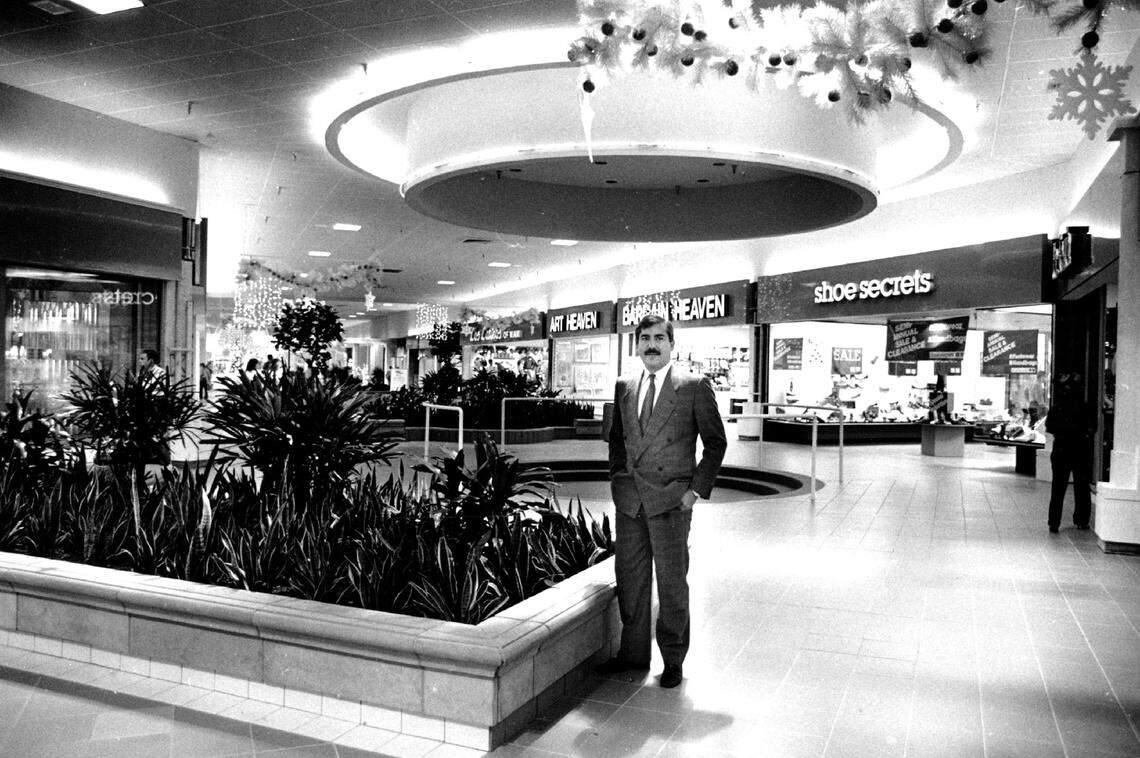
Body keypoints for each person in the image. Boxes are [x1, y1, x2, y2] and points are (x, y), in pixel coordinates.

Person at [600, 314, 726, 689]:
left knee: (672, 585)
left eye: (659, 338)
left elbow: (716, 443)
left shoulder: (693, 386)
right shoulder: (625, 384)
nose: (651, 345)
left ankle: (672, 660)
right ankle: (633, 655)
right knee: (631, 580)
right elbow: (617, 441)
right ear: (636, 344)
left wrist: (694, 491)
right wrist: (617, 481)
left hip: (672, 501)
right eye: (645, 338)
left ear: (672, 344)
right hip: (630, 502)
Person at [1045, 372, 1095, 533]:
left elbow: (1050, 427)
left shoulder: (1057, 408)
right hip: (1081, 449)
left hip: (1061, 449)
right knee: (1082, 486)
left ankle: (1054, 522)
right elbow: (1092, 428)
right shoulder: (1085, 408)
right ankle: (1082, 520)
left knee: (1058, 487)